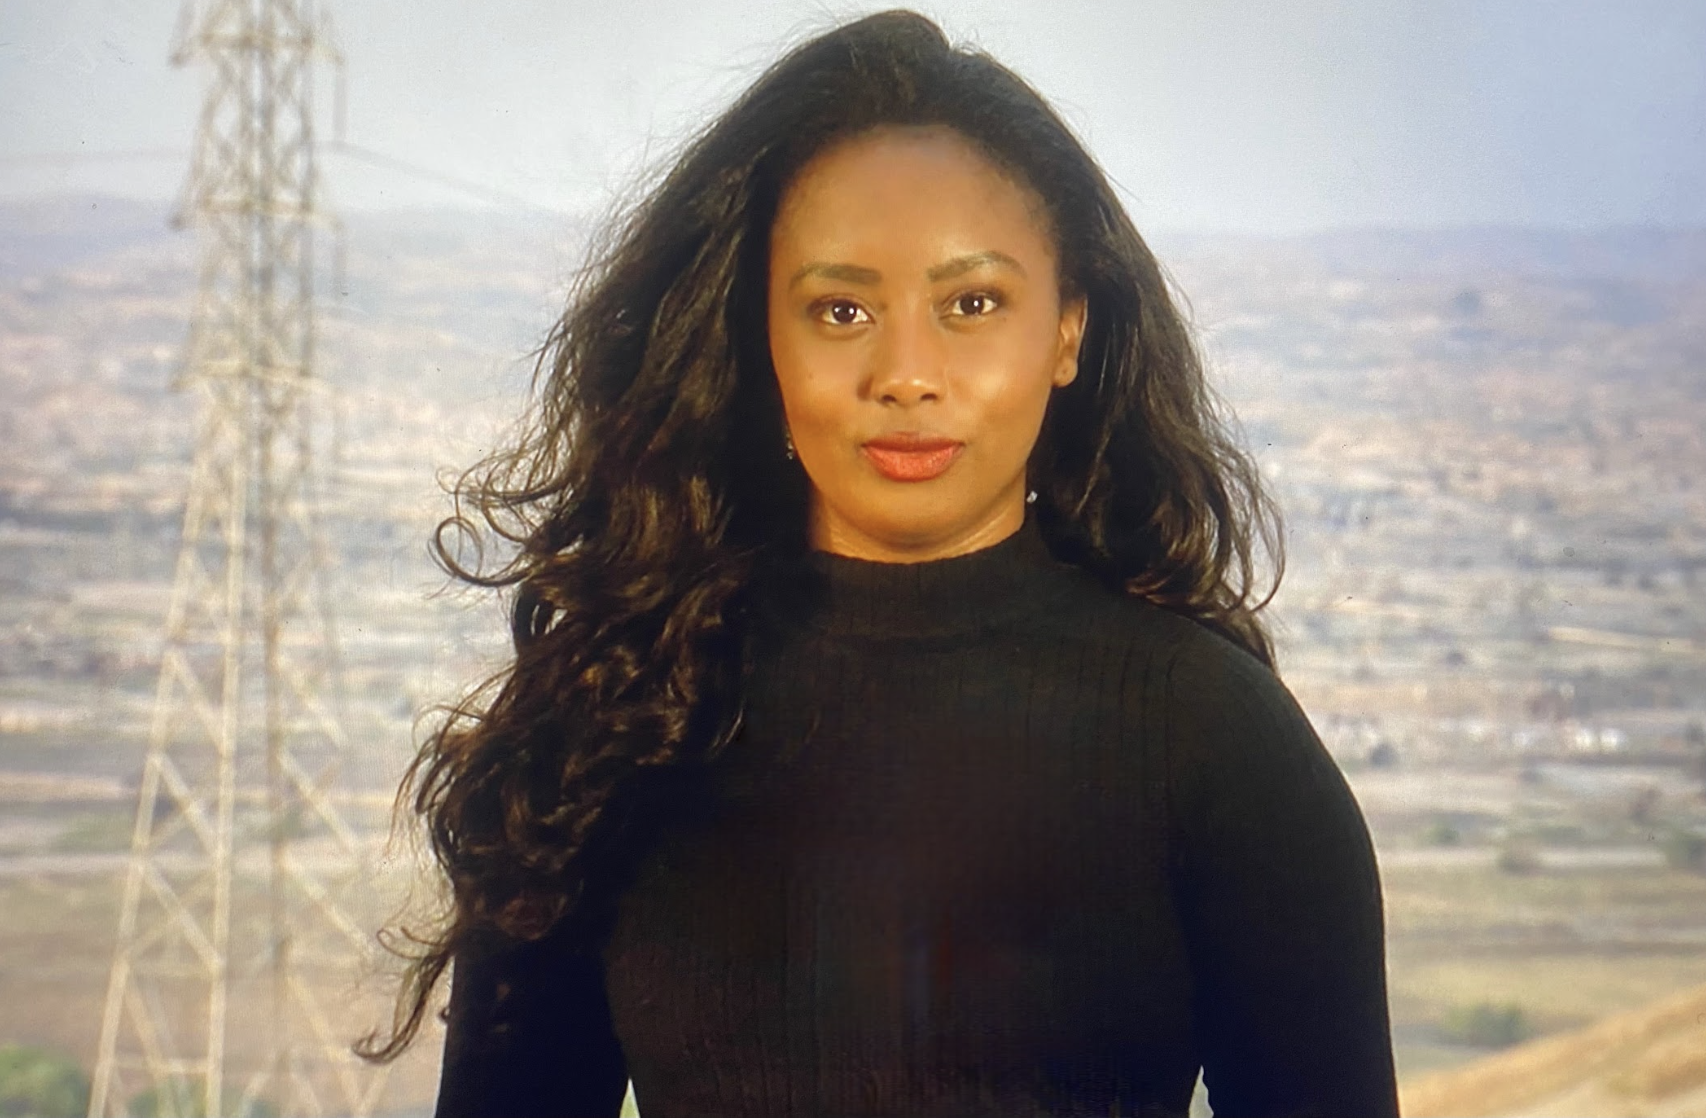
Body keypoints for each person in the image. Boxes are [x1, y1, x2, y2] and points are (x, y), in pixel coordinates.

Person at [359, 10, 1400, 1117]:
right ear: (759, 337)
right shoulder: (614, 717)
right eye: (841, 308)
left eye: (971, 303)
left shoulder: (1215, 742)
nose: (905, 372)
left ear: (1067, 332)